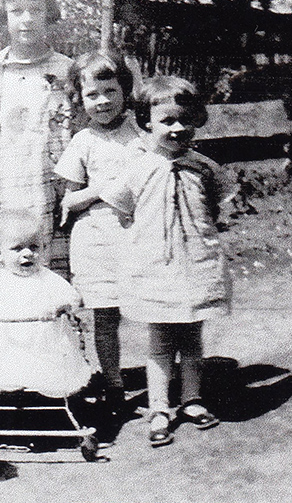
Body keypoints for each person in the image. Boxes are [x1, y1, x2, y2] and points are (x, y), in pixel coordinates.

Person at [101, 76, 232, 447]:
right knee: (159, 340)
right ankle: (159, 407)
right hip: (155, 265)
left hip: (195, 261)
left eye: (184, 120)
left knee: (191, 335)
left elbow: (219, 201)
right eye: (167, 121)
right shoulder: (137, 166)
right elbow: (120, 209)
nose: (177, 129)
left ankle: (191, 399)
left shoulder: (203, 166)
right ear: (146, 123)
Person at [0, 0, 73, 276]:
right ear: (5, 16)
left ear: (48, 14)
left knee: (56, 277)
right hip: (9, 189)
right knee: (13, 272)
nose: (27, 19)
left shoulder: (66, 69)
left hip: (56, 188)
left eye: (36, 10)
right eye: (17, 11)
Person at [54, 49, 141, 420]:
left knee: (155, 309)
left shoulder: (141, 133)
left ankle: (165, 378)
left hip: (140, 234)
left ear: (124, 90)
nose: (102, 101)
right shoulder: (83, 141)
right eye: (92, 94)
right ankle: (114, 385)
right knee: (105, 316)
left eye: (110, 91)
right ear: (80, 99)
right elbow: (68, 201)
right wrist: (101, 188)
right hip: (97, 238)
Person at [0, 209, 91, 398]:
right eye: (17, 248)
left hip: (39, 345)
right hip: (0, 344)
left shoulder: (46, 278)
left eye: (34, 247)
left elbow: (72, 297)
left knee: (42, 373)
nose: (27, 254)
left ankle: (37, 398)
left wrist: (60, 306)